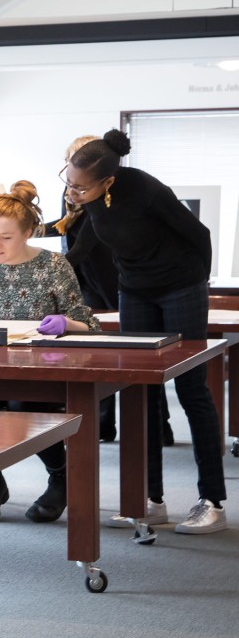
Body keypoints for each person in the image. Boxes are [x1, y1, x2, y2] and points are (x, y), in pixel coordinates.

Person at [64, 128, 227, 534]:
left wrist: (195, 284)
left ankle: (212, 501)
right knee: (140, 390)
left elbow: (200, 236)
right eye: (67, 181)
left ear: (107, 181)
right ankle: (149, 498)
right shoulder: (93, 200)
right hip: (134, 290)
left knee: (191, 387)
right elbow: (81, 249)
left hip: (180, 288)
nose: (71, 191)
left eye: (79, 187)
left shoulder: (148, 190)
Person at [0, 180, 100, 523]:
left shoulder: (54, 266)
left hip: (39, 368)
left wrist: (65, 323)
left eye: (6, 237)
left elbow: (89, 324)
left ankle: (61, 476)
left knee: (20, 404)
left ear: (28, 232)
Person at [45, 136, 123, 442]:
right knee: (92, 350)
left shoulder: (104, 195)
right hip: (82, 278)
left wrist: (45, 270)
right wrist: (30, 228)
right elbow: (65, 225)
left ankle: (109, 423)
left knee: (111, 351)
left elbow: (83, 246)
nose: (72, 181)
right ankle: (101, 423)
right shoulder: (69, 191)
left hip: (106, 278)